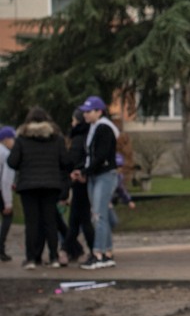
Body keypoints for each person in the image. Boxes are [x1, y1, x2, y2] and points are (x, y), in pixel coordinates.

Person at [7, 107, 73, 268]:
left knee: (31, 223)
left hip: (28, 186)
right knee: (50, 222)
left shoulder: (22, 139)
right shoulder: (56, 138)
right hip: (51, 185)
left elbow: (12, 162)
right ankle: (54, 257)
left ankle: (31, 258)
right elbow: (65, 162)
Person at [80, 94, 120, 268]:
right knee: (99, 213)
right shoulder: (94, 128)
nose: (85, 115)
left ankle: (98, 253)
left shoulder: (104, 128)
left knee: (98, 215)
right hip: (96, 174)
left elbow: (101, 155)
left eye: (89, 111)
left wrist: (86, 171)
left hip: (103, 174)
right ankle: (107, 252)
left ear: (99, 111)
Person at [66, 110, 96, 264]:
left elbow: (72, 159)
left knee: (82, 219)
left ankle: (92, 250)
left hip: (79, 180)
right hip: (84, 179)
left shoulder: (78, 139)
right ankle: (69, 249)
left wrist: (74, 171)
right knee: (75, 219)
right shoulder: (88, 136)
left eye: (73, 120)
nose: (72, 123)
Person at [0, 126, 15, 262]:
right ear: (5, 139)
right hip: (1, 191)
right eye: (12, 139)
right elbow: (5, 180)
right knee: (7, 217)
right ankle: (1, 248)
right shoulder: (6, 154)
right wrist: (8, 202)